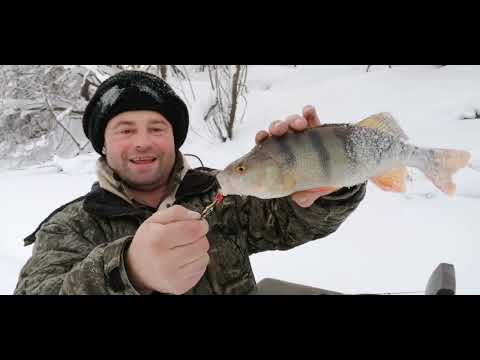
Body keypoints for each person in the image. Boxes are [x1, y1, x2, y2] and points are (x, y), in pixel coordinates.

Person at [14, 70, 366, 295]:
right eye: (125, 130)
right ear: (103, 145)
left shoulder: (220, 192)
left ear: (174, 139)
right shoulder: (69, 227)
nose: (142, 142)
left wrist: (328, 179)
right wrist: (127, 271)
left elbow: (292, 220)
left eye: (156, 128)